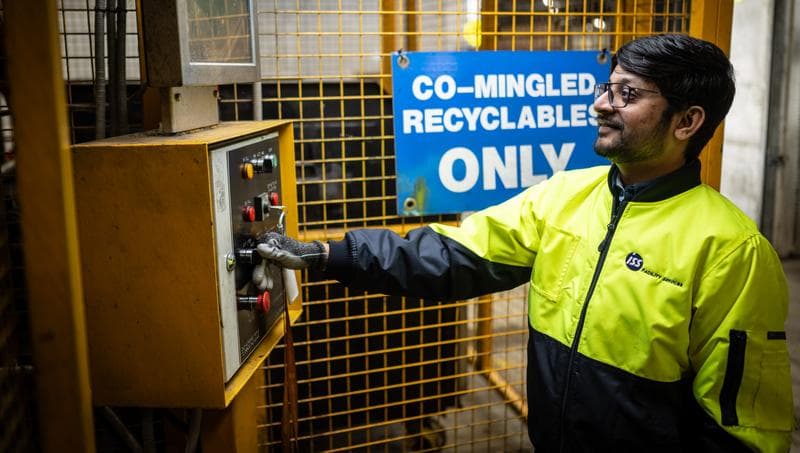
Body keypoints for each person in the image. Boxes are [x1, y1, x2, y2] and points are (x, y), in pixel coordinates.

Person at [256, 34, 794, 452]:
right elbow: (455, 255)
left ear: (688, 121)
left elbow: (742, 424)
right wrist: (330, 255)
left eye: (627, 94)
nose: (602, 104)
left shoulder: (731, 251)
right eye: (607, 87)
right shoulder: (564, 197)